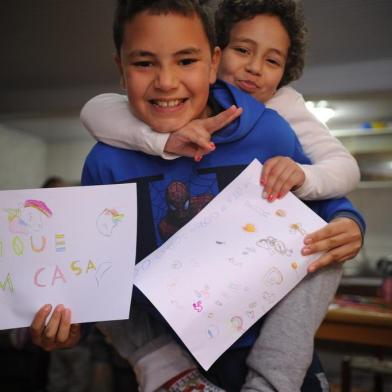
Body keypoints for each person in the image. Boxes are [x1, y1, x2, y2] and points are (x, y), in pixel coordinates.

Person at [30, 1, 365, 391]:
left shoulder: (270, 131)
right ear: (121, 70)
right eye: (144, 64)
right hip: (169, 366)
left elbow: (324, 206)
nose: (167, 82)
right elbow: (94, 279)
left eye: (186, 61)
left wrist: (349, 224)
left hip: (278, 361)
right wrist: (70, 330)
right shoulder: (106, 163)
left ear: (212, 63)